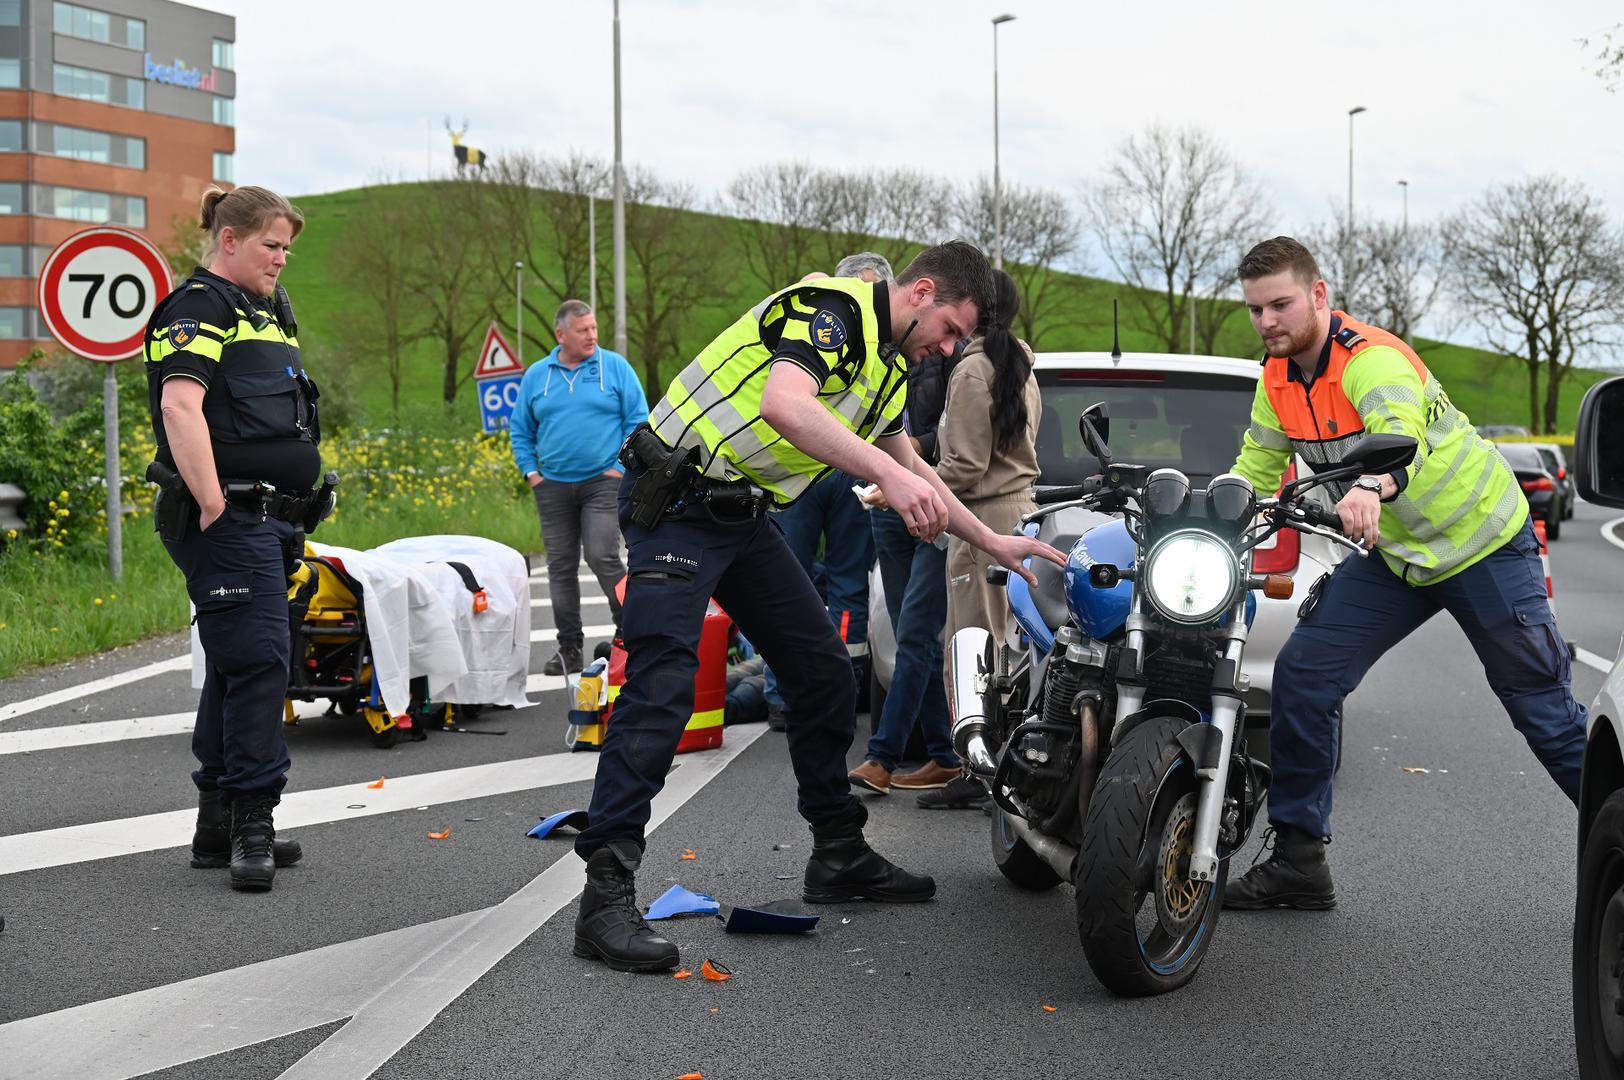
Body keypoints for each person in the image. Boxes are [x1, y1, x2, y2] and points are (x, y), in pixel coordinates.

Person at [570, 240, 1066, 973]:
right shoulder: (832, 309)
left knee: (825, 674)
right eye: (953, 329)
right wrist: (886, 480)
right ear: (922, 292)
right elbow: (785, 404)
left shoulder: (889, 368)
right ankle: (604, 896)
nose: (951, 349)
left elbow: (912, 464)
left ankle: (837, 852)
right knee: (663, 686)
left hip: (742, 519)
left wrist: (993, 539)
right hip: (676, 505)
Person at [1221, 236, 1589, 911]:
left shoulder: (1372, 361)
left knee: (1542, 711)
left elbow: (1399, 431)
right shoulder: (1276, 379)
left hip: (1483, 545)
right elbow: (1257, 463)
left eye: (1281, 304)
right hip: (1399, 559)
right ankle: (1300, 861)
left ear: (1319, 295)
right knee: (1304, 674)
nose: (1268, 321)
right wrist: (1212, 515)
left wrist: (1371, 485)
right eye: (1255, 310)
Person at [144, 185, 324, 893]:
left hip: (273, 519)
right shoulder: (199, 307)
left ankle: (215, 827)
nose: (281, 259)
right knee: (259, 666)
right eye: (270, 245)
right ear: (229, 240)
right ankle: (255, 822)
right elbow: (179, 406)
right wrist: (215, 501)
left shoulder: (269, 313)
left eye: (286, 247)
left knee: (234, 664)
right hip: (230, 518)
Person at [923, 268, 1043, 809]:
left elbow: (966, 465)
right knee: (1005, 647)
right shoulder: (1018, 363)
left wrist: (901, 486)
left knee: (976, 648)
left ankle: (985, 771)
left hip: (981, 519)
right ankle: (1001, 765)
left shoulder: (974, 371)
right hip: (1015, 512)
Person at [761, 252, 893, 732]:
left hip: (807, 467)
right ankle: (831, 687)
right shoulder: (883, 337)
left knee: (799, 583)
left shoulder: (818, 314)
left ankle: (813, 689)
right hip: (834, 470)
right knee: (823, 584)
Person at [846, 336, 964, 797]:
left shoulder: (955, 351)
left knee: (915, 633)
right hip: (885, 501)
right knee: (908, 633)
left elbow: (965, 435)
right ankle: (944, 754)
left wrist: (910, 446)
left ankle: (882, 757)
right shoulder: (873, 350)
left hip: (935, 500)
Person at [510, 300, 648, 675]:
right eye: (583, 330)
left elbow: (638, 419)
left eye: (594, 328)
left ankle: (631, 632)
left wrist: (620, 468)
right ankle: (569, 648)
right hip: (551, 485)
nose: (592, 336)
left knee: (602, 553)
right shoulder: (538, 375)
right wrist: (531, 473)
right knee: (560, 566)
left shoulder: (614, 368)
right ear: (561, 334)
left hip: (603, 482)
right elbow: (521, 429)